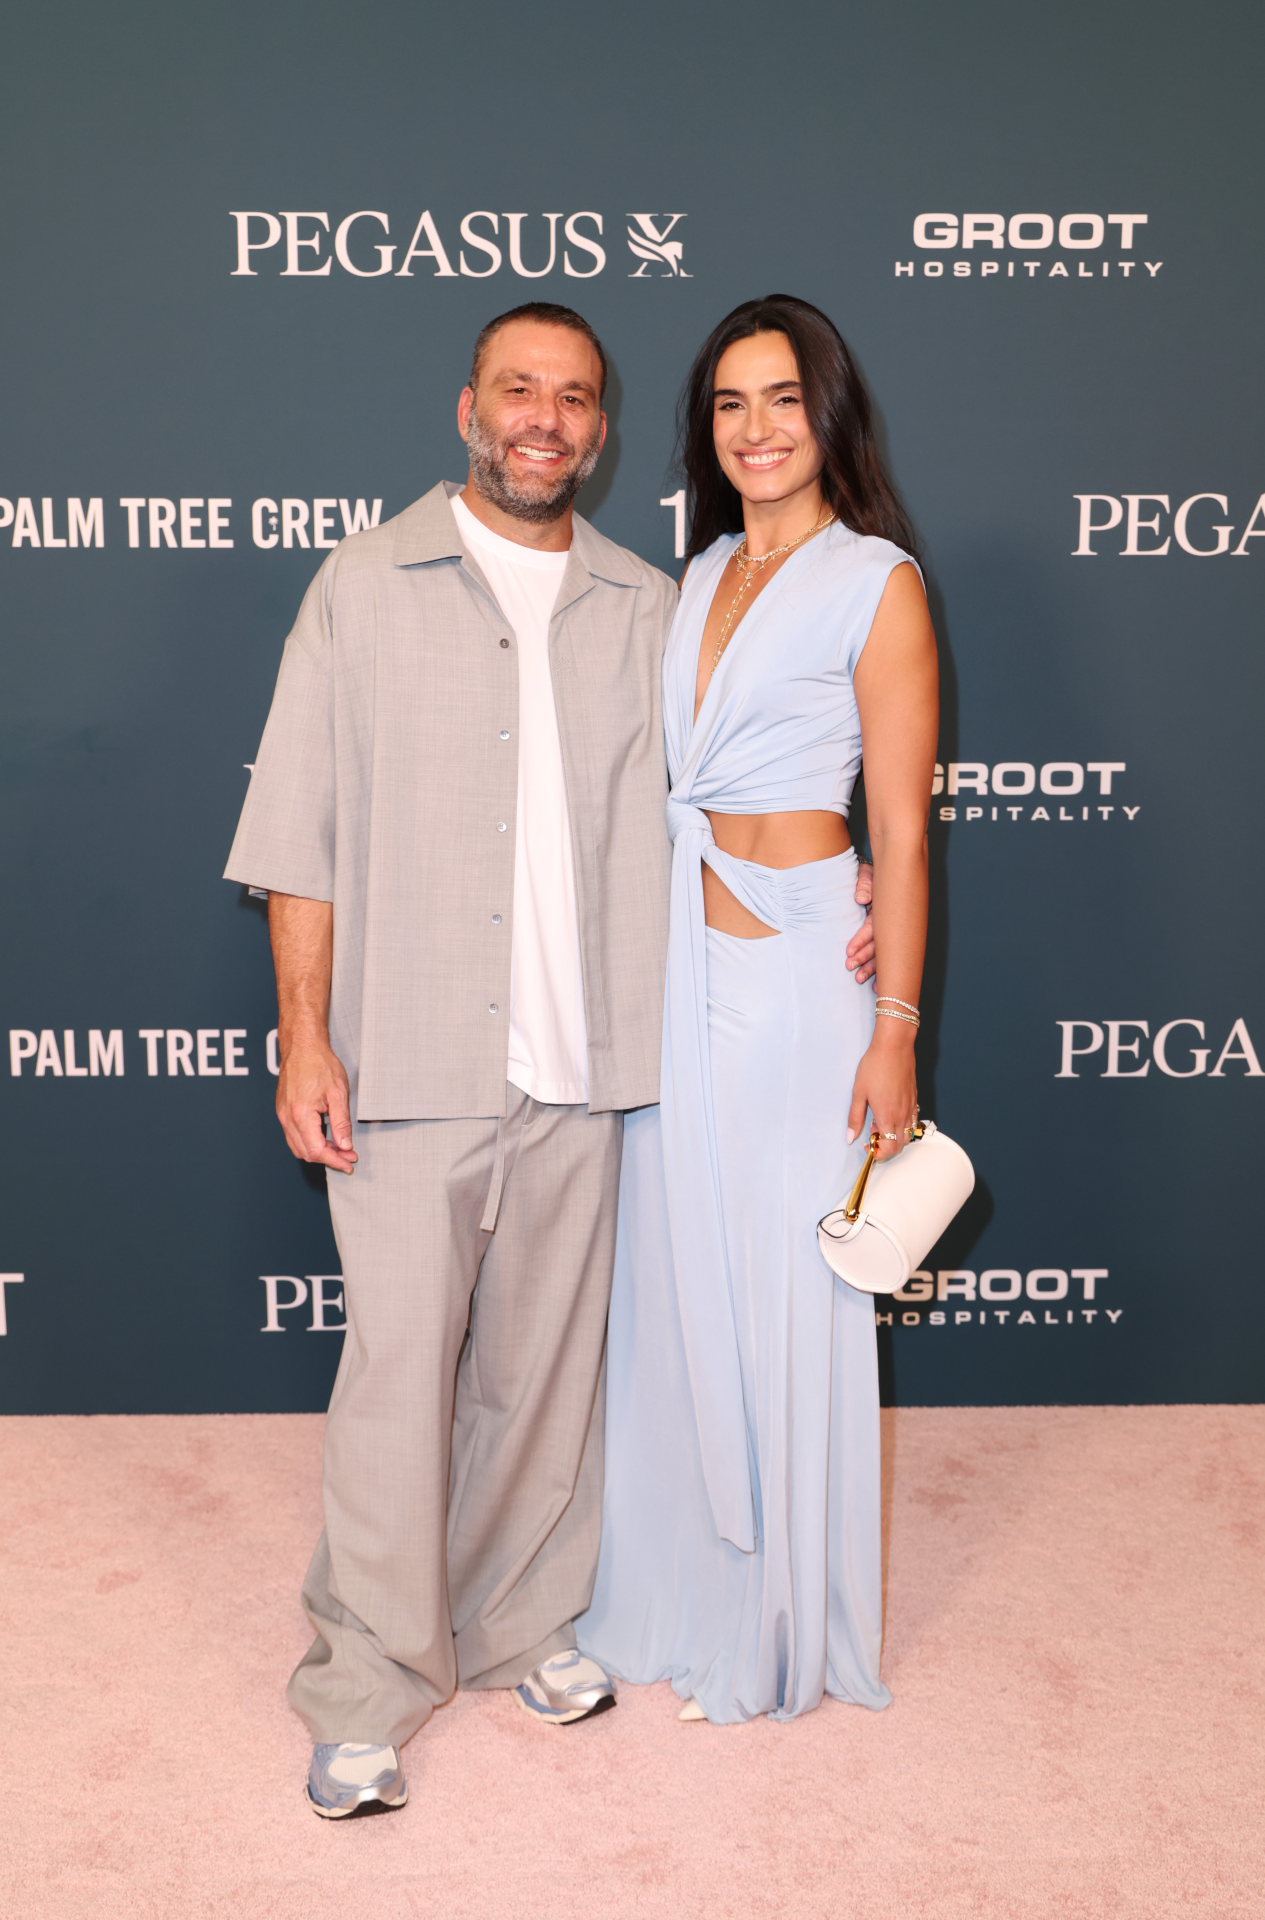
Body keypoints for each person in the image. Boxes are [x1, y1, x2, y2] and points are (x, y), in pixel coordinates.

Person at [226, 299, 879, 1816]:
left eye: (574, 397)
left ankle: (518, 1623)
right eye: (518, 389)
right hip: (409, 1060)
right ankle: (368, 1682)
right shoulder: (365, 582)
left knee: (541, 1384)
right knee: (399, 1383)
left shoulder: (647, 603)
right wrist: (306, 1034)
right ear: (470, 410)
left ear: (600, 428)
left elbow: (733, 781)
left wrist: (831, 871)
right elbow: (298, 830)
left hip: (588, 1070)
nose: (545, 417)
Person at [577, 295, 938, 1726]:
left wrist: (895, 1024)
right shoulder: (702, 570)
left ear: (828, 414)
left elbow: (900, 831)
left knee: (786, 1291)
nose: (757, 428)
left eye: (784, 398)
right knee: (679, 1281)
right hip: (682, 963)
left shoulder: (877, 583)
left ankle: (779, 1617)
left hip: (802, 980)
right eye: (730, 404)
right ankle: (679, 1590)